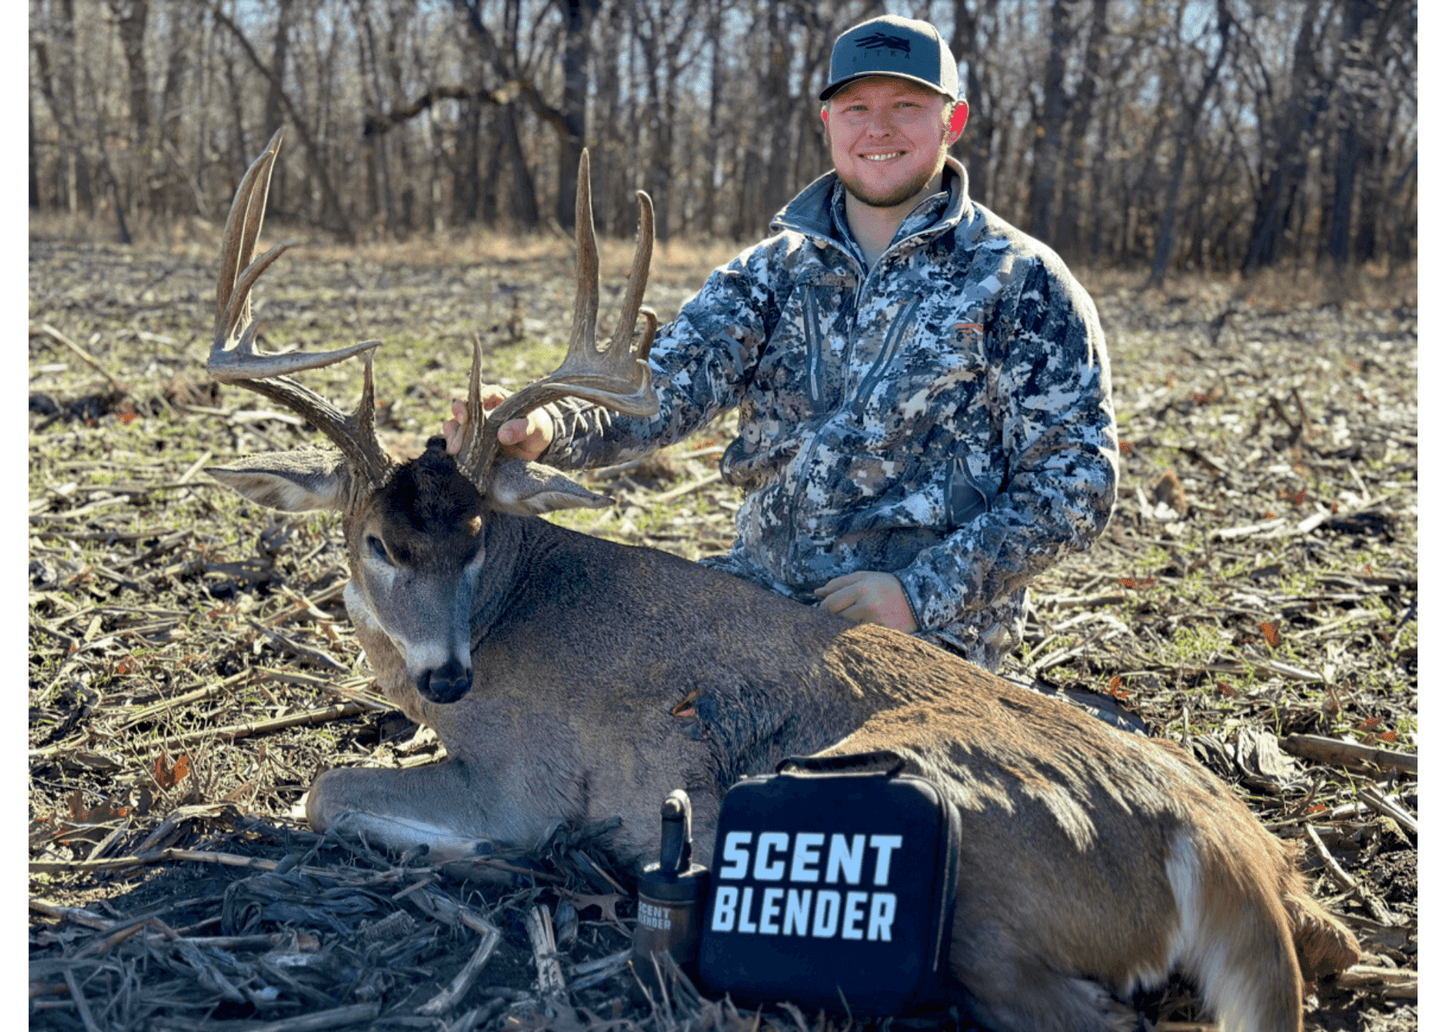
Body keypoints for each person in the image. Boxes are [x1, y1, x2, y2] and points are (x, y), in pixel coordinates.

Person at [446, 15, 1118, 680]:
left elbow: (1075, 483)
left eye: (906, 107)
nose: (878, 129)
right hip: (756, 600)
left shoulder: (1020, 280)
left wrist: (919, 593)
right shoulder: (768, 273)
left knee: (807, 790)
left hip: (926, 641)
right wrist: (544, 427)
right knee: (573, 681)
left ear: (953, 120)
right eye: (856, 107)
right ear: (827, 123)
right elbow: (666, 391)